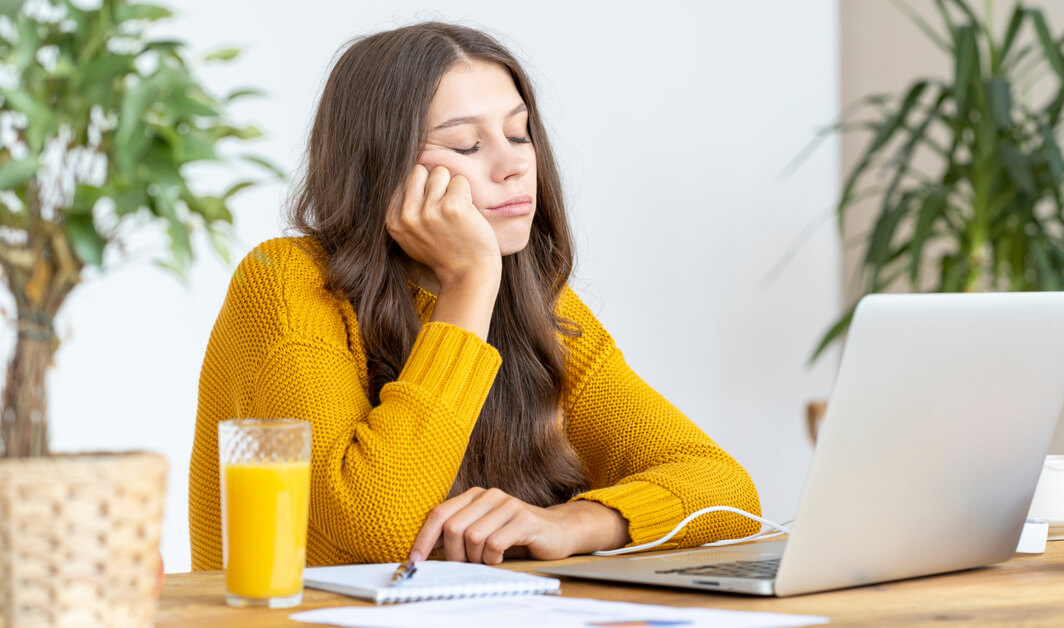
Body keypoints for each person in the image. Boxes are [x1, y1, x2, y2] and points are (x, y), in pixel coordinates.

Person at [188, 21, 759, 571]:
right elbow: (375, 521)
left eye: (518, 133)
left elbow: (726, 490)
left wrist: (570, 524)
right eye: (466, 145)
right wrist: (470, 282)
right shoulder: (287, 281)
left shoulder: (540, 308)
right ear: (379, 168)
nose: (514, 165)